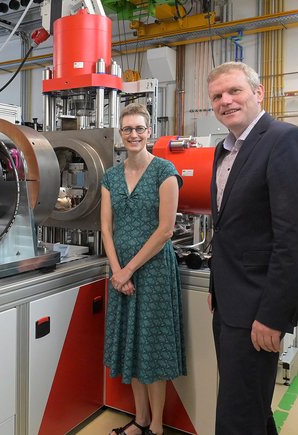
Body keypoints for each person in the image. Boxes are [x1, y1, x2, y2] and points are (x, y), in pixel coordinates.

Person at [207, 61, 298, 435]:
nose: (225, 101)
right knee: (248, 403)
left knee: (238, 415)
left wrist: (272, 315)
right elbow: (226, 230)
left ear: (258, 92)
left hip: (257, 306)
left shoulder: (285, 140)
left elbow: (295, 238)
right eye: (217, 96)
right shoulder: (224, 150)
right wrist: (216, 289)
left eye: (234, 91)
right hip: (230, 300)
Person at [101, 103, 186, 435]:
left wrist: (127, 271)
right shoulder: (110, 176)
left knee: (151, 349)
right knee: (131, 348)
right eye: (127, 129)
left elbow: (166, 229)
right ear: (121, 135)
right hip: (120, 271)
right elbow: (106, 229)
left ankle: (159, 428)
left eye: (139, 128)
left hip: (152, 273)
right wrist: (116, 270)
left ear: (150, 132)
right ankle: (140, 420)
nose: (133, 134)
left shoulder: (165, 171)